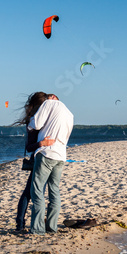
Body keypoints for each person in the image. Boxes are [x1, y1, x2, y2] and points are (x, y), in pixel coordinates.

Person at [29, 95, 73, 235]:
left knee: (37, 191)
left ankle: (37, 229)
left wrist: (30, 122)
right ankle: (52, 227)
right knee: (54, 191)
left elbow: (36, 124)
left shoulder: (49, 103)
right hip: (61, 155)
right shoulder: (69, 113)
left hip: (47, 153)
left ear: (53, 98)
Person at [13, 92, 55, 232]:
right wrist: (42, 143)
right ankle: (20, 223)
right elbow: (29, 147)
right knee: (29, 193)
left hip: (46, 159)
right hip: (37, 159)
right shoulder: (33, 122)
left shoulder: (45, 120)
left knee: (36, 192)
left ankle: (31, 222)